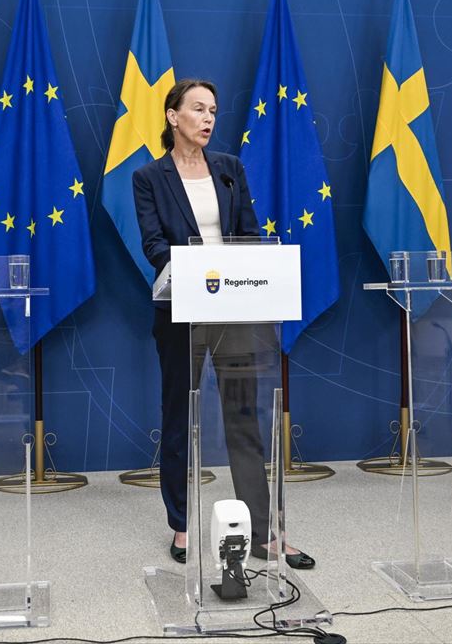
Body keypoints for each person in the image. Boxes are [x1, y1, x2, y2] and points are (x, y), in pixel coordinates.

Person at [132, 78, 314, 569]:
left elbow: (250, 235)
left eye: (213, 109)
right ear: (173, 116)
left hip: (236, 311)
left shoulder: (230, 169)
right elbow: (153, 246)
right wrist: (198, 266)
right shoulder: (149, 177)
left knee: (243, 419)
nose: (209, 118)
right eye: (198, 109)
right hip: (181, 313)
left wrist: (233, 266)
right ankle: (182, 525)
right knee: (179, 418)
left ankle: (265, 533)